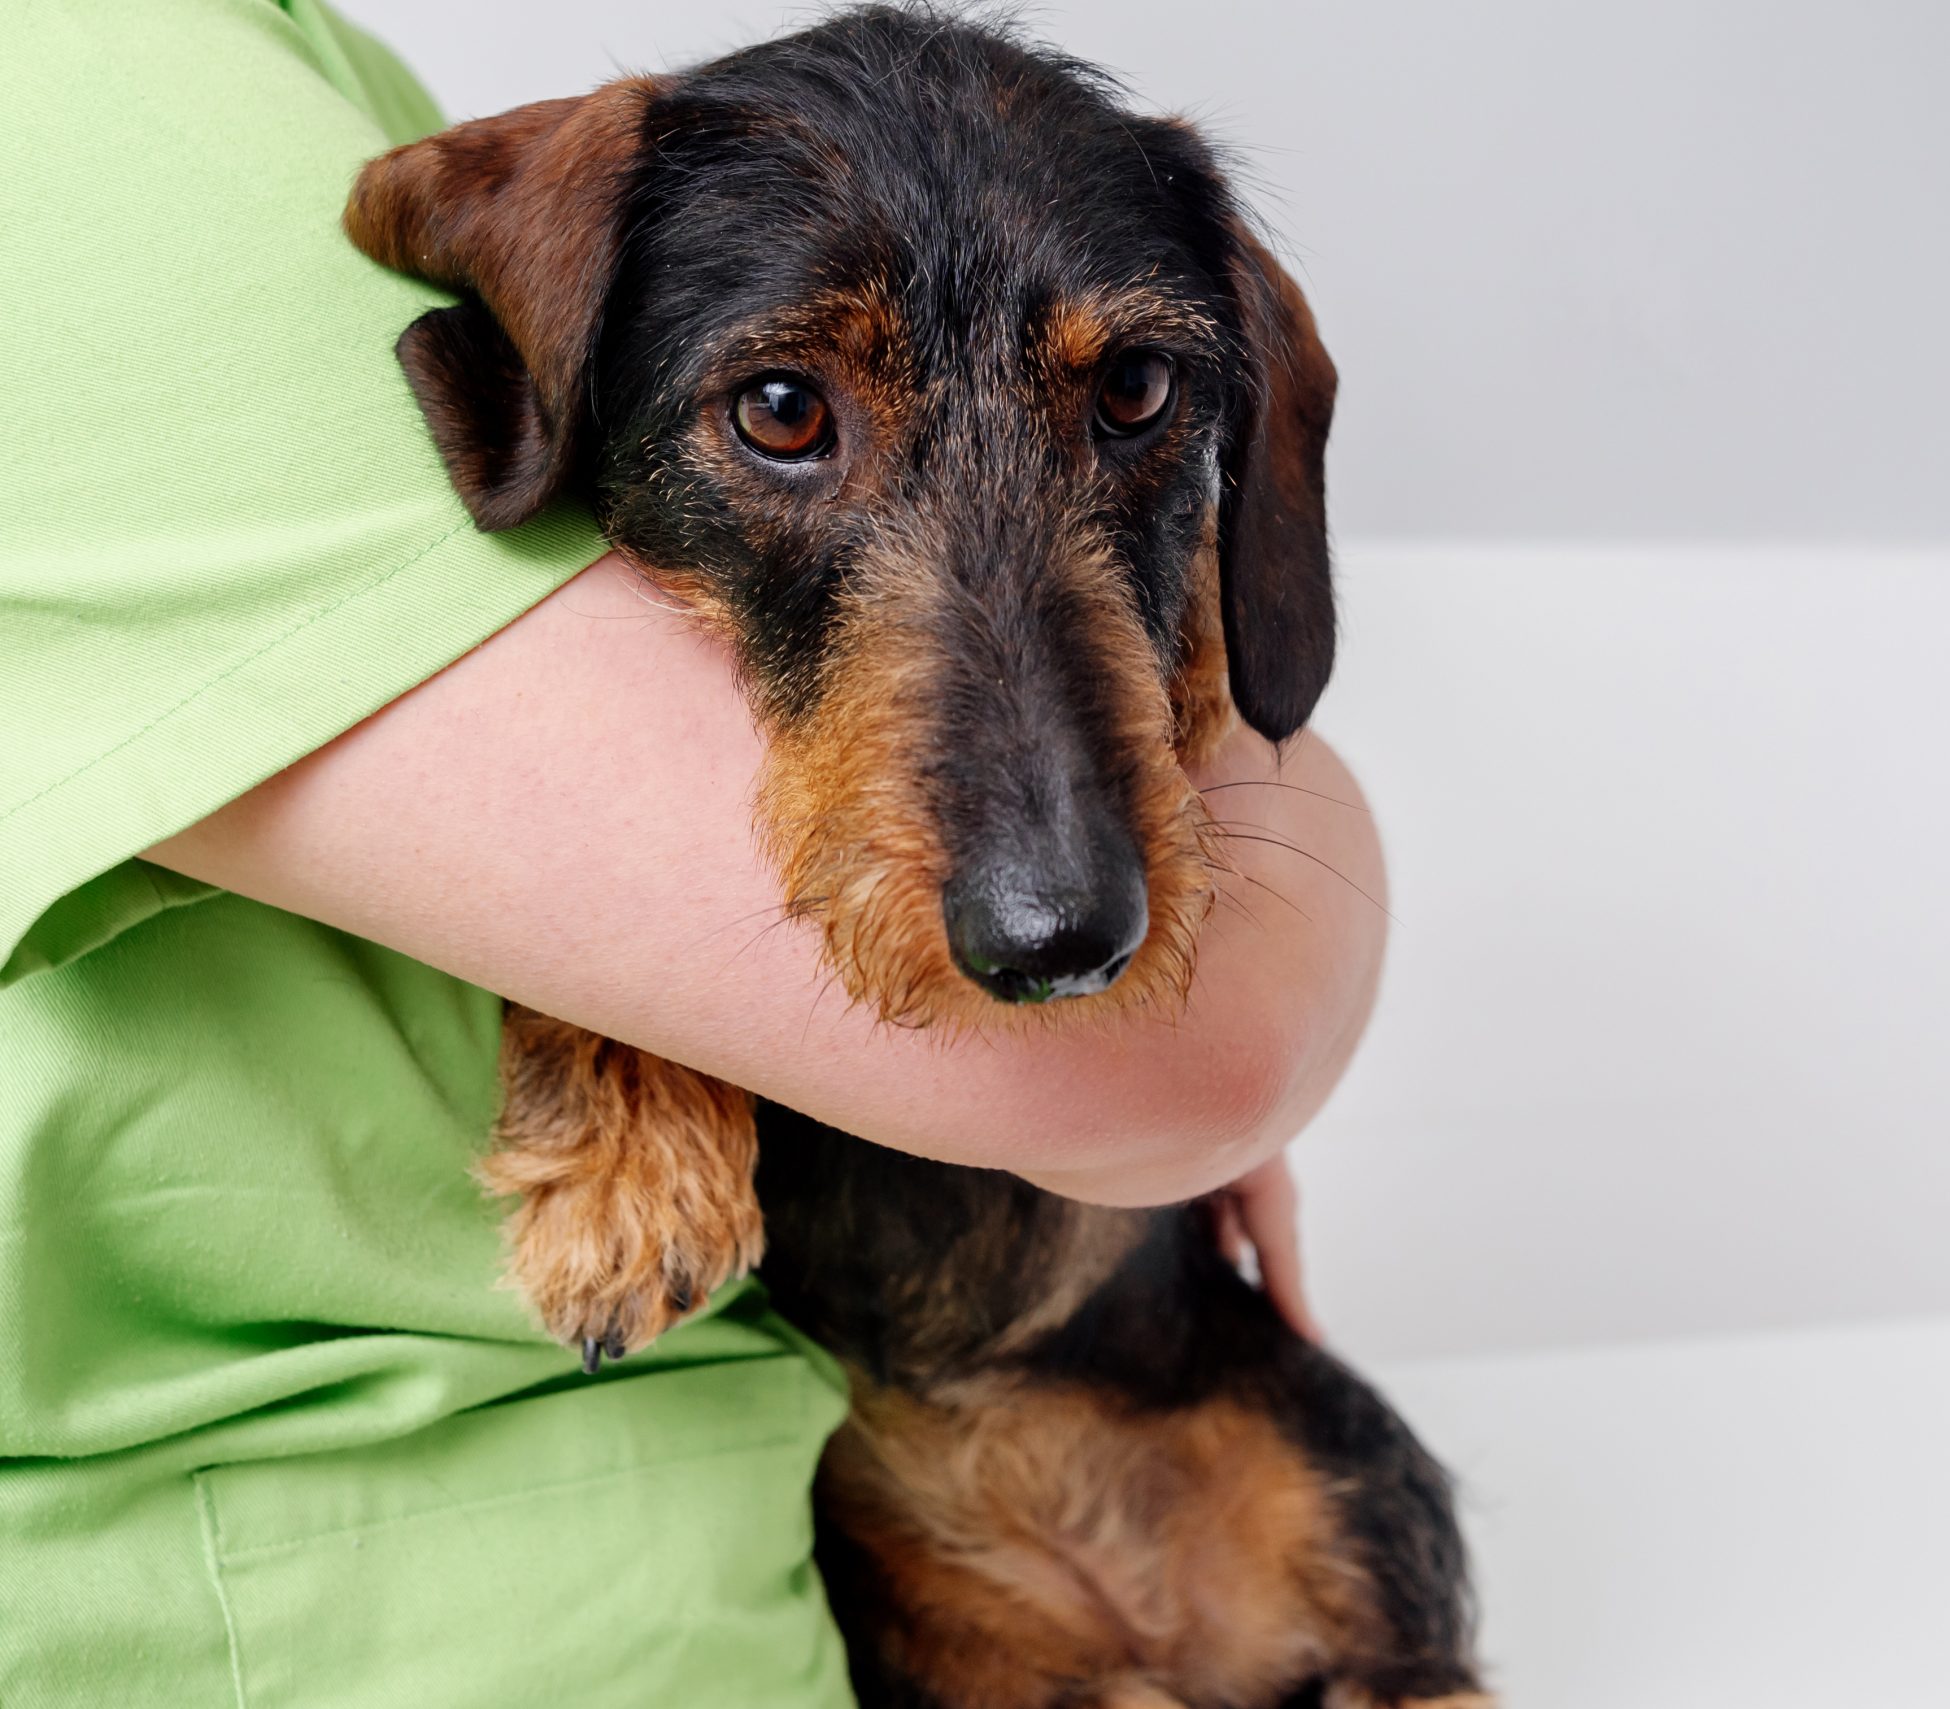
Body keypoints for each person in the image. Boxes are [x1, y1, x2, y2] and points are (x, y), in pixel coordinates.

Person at [0, 3, 1387, 1703]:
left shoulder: (283, 63)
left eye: (1134, 393)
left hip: (1010, 1459)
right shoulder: (74, 130)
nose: (1051, 880)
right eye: (792, 412)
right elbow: (1188, 1069)